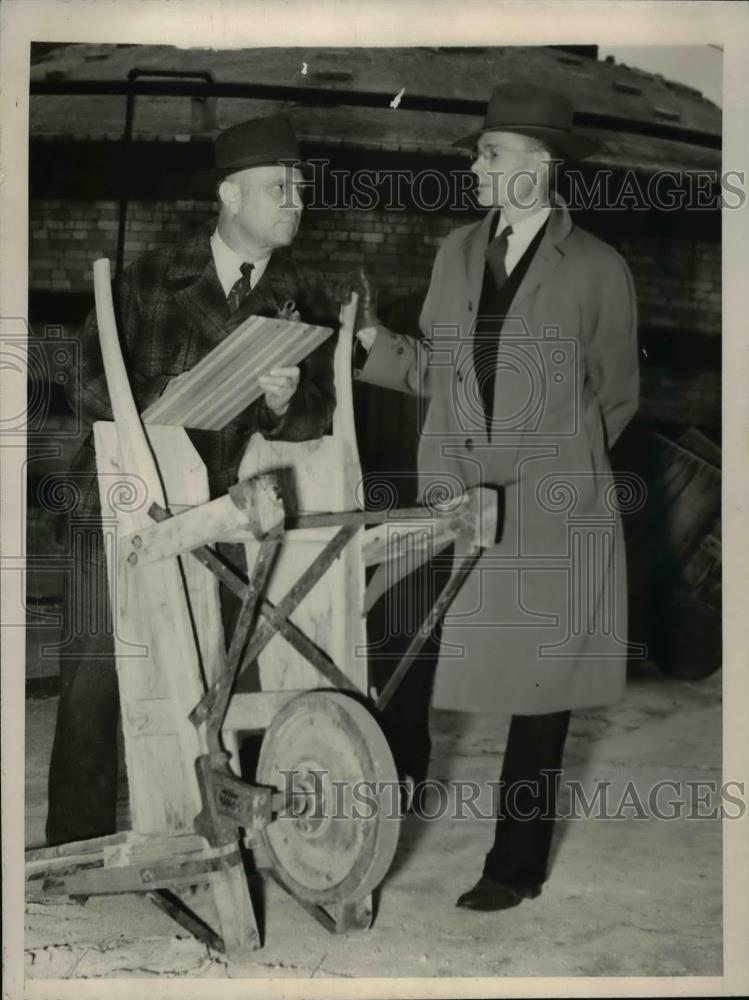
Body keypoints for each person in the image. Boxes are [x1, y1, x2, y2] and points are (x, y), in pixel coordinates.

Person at [354, 83, 639, 910]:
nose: (474, 166)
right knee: (395, 629)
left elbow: (615, 396)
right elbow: (435, 371)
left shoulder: (595, 268)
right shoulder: (454, 252)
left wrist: (557, 475)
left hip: (551, 510)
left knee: (538, 690)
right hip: (453, 495)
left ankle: (514, 867)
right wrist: (374, 346)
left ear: (540, 166)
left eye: (489, 153)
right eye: (478, 153)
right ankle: (395, 782)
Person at [46, 116, 340, 846]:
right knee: (95, 683)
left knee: (205, 677)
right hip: (111, 506)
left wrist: (281, 401)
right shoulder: (149, 277)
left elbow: (314, 416)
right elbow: (80, 381)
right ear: (229, 195)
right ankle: (74, 848)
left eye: (299, 186)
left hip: (212, 516)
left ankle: (197, 830)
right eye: (279, 187)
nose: (295, 200)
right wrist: (163, 405)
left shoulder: (297, 297)